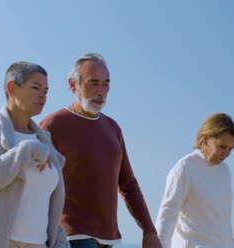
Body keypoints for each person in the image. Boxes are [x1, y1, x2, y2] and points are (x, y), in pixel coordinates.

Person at [40, 53, 162, 248]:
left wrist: (149, 230)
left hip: (108, 238)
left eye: (106, 84)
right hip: (72, 237)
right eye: (94, 83)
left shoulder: (113, 128)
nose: (101, 91)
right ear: (73, 85)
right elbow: (36, 184)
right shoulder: (53, 126)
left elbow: (128, 184)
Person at [0, 62, 69, 248]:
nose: (42, 95)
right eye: (35, 87)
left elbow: (47, 203)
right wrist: (25, 150)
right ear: (11, 88)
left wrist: (60, 242)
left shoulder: (45, 141)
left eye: (46, 90)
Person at [155, 113, 234, 248]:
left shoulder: (224, 170)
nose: (227, 153)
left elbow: (221, 219)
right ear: (205, 139)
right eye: (222, 146)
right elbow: (168, 214)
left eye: (230, 149)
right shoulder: (185, 168)